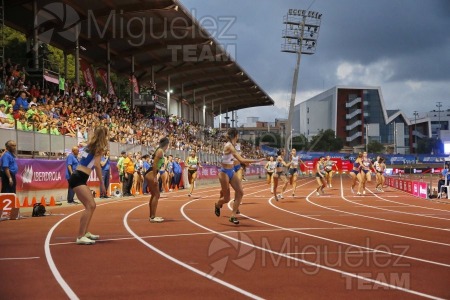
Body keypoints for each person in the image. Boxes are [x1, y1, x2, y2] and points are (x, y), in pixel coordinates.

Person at [214, 128, 264, 224]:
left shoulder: (234, 145)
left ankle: (232, 216)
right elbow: (241, 159)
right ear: (236, 135)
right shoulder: (229, 146)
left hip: (231, 171)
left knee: (240, 192)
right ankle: (217, 204)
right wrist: (257, 160)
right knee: (227, 198)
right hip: (224, 172)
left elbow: (239, 160)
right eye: (238, 135)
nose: (238, 137)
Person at [68, 126, 108, 245]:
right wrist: (102, 183)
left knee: (91, 206)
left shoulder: (90, 146)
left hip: (78, 176)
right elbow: (97, 165)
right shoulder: (99, 148)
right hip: (78, 178)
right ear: (104, 136)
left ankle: (84, 232)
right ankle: (80, 236)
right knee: (90, 205)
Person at [144, 137, 170, 223]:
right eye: (168, 145)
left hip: (152, 172)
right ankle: (152, 217)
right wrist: (155, 176)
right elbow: (155, 164)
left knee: (154, 195)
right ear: (166, 145)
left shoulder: (159, 150)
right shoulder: (160, 151)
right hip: (152, 172)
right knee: (156, 195)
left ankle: (152, 216)